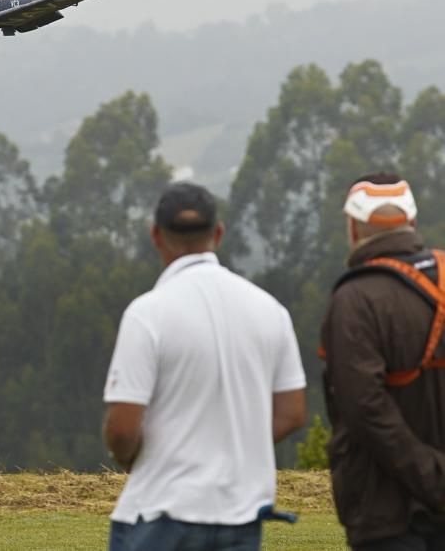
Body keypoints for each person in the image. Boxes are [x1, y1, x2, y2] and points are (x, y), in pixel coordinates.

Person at [103, 181, 307, 551]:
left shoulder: (147, 313)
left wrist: (146, 457)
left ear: (155, 235)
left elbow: (122, 429)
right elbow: (292, 413)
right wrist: (233, 445)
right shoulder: (270, 310)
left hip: (160, 512)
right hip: (241, 515)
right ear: (218, 232)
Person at [321, 173, 445, 550]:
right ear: (413, 223)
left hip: (387, 513)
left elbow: (364, 409)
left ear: (354, 230)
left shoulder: (355, 300)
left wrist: (430, 476)